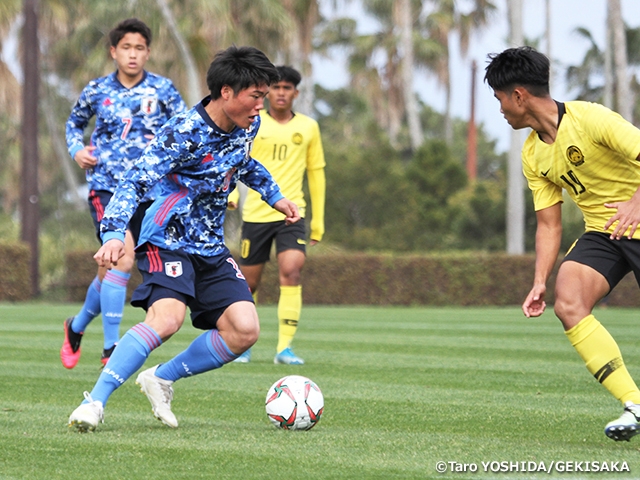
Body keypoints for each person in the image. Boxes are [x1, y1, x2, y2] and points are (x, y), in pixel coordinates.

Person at [67, 45, 300, 432]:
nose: (261, 106)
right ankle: (94, 402)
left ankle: (161, 378)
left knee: (245, 330)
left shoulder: (248, 124)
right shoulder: (182, 133)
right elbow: (134, 180)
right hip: (167, 241)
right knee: (167, 319)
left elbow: (241, 162)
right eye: (256, 96)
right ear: (226, 92)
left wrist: (274, 195)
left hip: (209, 245)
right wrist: (112, 234)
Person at [485, 46, 640, 442]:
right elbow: (549, 225)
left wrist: (635, 202)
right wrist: (540, 280)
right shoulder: (532, 153)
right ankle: (635, 403)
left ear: (519, 95)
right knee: (568, 300)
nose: (500, 110)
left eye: (501, 99)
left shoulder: (590, 118)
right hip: (605, 233)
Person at [62, 18, 186, 369]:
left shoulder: (163, 90)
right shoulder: (97, 89)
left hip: (152, 190)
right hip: (107, 187)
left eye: (140, 48)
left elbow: (183, 131)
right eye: (126, 48)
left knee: (109, 272)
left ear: (148, 52)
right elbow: (74, 124)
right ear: (114, 52)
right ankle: (110, 348)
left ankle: (77, 326)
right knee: (121, 259)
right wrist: (77, 150)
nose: (133, 55)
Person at [229, 66, 325, 365]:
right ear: (269, 92)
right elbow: (235, 160)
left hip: (293, 213)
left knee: (292, 270)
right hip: (256, 213)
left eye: (288, 88)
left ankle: (284, 347)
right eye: (277, 87)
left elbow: (316, 173)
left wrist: (318, 221)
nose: (281, 93)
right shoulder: (253, 123)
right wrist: (231, 193)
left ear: (296, 93)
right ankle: (244, 344)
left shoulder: (309, 127)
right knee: (249, 282)